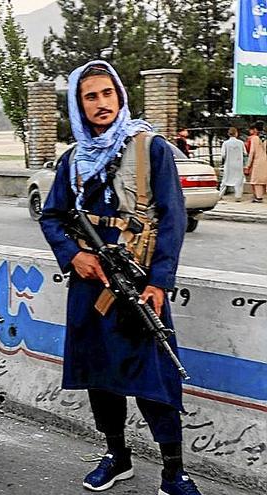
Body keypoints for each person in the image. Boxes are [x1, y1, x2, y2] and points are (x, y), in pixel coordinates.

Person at [39, 61, 199, 495]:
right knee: (100, 375)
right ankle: (116, 456)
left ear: (120, 96)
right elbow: (52, 216)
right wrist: (73, 255)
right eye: (90, 96)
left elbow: (171, 219)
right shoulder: (72, 160)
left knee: (156, 378)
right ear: (79, 105)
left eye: (107, 93)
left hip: (140, 280)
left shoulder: (151, 149)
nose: (101, 103)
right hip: (91, 285)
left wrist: (159, 282)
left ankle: (174, 471)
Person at [219, 127, 245, 201]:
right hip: (238, 164)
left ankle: (220, 194)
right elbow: (245, 153)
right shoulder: (241, 143)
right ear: (236, 133)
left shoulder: (225, 143)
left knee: (225, 180)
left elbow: (223, 155)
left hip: (229, 164)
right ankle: (238, 196)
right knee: (239, 180)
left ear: (228, 134)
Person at [245, 123, 267, 203]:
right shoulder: (265, 138)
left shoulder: (254, 138)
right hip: (265, 160)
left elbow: (252, 152)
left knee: (257, 181)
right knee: (264, 179)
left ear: (255, 129)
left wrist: (248, 165)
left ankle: (259, 197)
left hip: (258, 161)